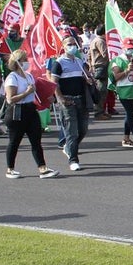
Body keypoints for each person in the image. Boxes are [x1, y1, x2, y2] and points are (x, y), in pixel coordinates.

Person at [2, 50, 58, 179]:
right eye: (24, 60)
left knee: (36, 141)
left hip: (30, 110)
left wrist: (47, 98)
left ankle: (42, 168)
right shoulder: (12, 77)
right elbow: (10, 99)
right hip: (17, 112)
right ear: (17, 62)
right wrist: (26, 93)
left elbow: (37, 94)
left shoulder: (29, 76)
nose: (27, 62)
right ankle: (10, 169)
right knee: (14, 141)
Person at [48, 33, 92, 171]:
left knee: (83, 130)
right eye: (69, 44)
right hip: (67, 100)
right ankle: (73, 159)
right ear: (63, 47)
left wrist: (88, 79)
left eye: (74, 44)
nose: (73, 47)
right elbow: (54, 83)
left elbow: (86, 76)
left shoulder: (79, 62)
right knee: (71, 131)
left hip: (81, 99)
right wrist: (60, 99)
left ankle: (69, 147)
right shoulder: (58, 63)